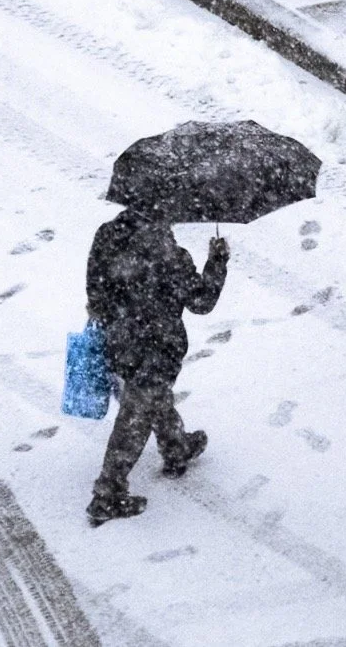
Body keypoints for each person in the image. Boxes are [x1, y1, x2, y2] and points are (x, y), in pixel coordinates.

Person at [85, 209, 229, 526]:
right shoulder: (172, 257)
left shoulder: (106, 235)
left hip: (119, 343)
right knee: (136, 415)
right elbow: (201, 302)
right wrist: (217, 261)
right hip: (158, 347)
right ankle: (107, 494)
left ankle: (176, 447)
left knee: (151, 397)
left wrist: (115, 319)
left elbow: (94, 291)